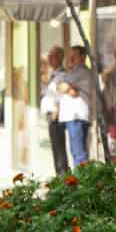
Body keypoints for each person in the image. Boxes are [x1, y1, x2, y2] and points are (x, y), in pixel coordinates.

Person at [61, 45, 96, 169]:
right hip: (72, 116)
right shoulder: (72, 71)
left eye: (73, 56)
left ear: (83, 57)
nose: (70, 59)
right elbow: (61, 86)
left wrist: (66, 87)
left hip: (77, 116)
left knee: (79, 153)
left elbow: (64, 87)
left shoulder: (83, 72)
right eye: (70, 56)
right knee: (76, 151)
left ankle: (82, 182)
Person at [40, 47, 69, 176]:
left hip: (56, 115)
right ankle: (59, 174)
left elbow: (60, 95)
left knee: (59, 147)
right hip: (51, 114)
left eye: (52, 57)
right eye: (49, 57)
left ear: (59, 58)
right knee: (55, 148)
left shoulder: (62, 75)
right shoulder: (53, 74)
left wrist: (56, 111)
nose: (49, 60)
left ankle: (63, 175)